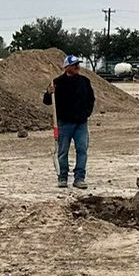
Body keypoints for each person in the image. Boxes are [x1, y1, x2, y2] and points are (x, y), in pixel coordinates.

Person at [43, 55, 96, 189]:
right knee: (62, 151)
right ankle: (62, 177)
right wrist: (49, 93)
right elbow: (47, 101)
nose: (77, 67)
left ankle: (79, 178)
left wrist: (86, 113)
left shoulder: (84, 81)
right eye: (74, 65)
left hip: (81, 123)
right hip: (64, 123)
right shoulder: (57, 82)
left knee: (82, 150)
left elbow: (91, 98)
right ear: (67, 68)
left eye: (78, 64)